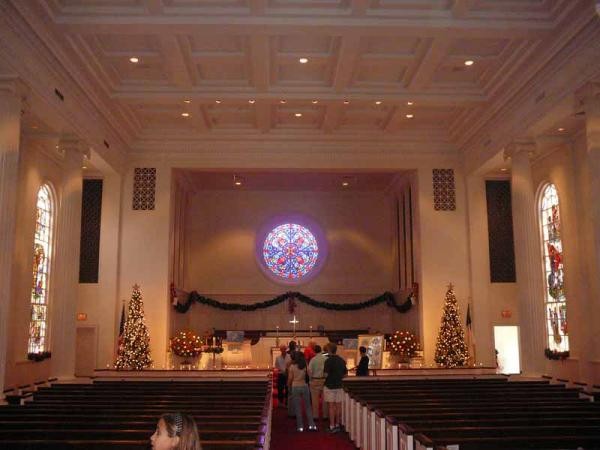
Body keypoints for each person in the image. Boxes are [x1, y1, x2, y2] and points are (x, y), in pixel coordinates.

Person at [288, 351, 317, 432]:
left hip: (295, 386)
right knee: (308, 406)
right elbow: (310, 376)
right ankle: (311, 425)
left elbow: (290, 379)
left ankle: (300, 427)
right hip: (304, 386)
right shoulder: (305, 366)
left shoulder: (292, 367)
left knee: (298, 407)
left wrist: (288, 386)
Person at [323, 342, 347, 433]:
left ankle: (332, 426)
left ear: (329, 350)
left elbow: (325, 375)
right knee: (338, 407)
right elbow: (345, 374)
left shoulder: (328, 361)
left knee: (331, 407)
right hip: (339, 386)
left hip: (330, 386)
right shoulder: (341, 360)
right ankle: (337, 424)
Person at [308, 344, 328, 421]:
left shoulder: (313, 360)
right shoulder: (326, 359)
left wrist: (310, 379)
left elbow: (309, 371)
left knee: (314, 400)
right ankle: (325, 415)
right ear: (321, 350)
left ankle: (315, 416)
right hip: (324, 380)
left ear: (314, 351)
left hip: (315, 380)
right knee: (324, 399)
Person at [285, 341, 297, 416]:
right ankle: (295, 411)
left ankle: (290, 411)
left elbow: (286, 369)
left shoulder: (287, 355)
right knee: (295, 396)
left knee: (290, 395)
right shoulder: (297, 355)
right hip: (296, 379)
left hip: (290, 378)